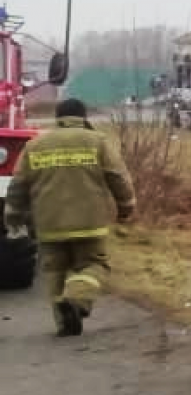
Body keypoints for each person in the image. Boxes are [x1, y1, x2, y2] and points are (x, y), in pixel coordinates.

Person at [3, 98, 136, 337]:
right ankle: (76, 301)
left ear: (58, 118)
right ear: (83, 117)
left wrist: (13, 215)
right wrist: (126, 207)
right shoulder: (97, 142)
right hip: (89, 223)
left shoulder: (36, 145)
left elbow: (18, 184)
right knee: (93, 264)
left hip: (49, 224)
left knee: (54, 270)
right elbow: (117, 177)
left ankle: (64, 322)